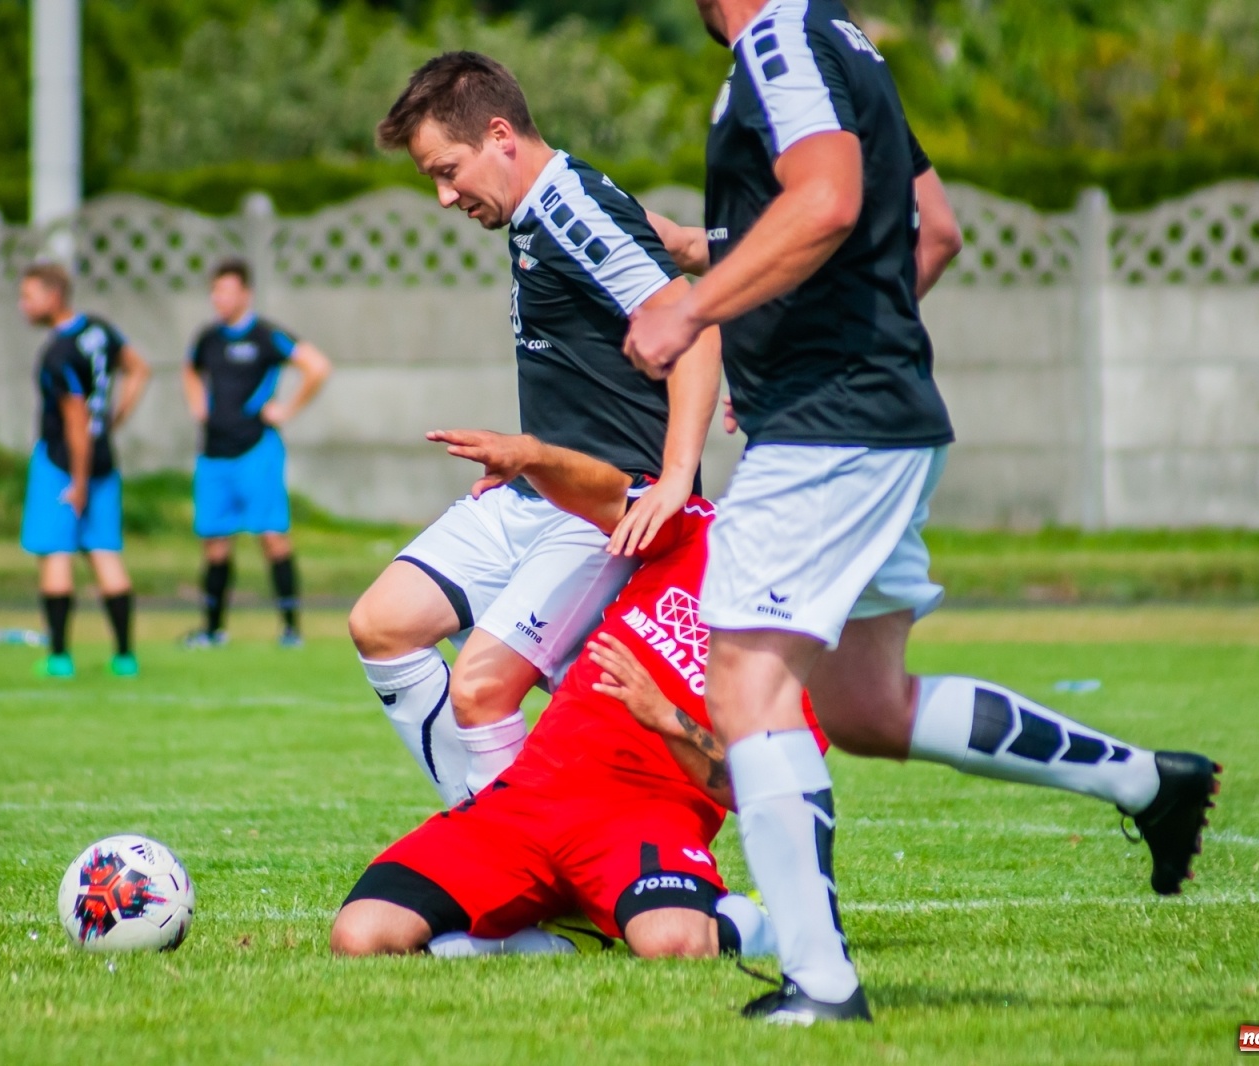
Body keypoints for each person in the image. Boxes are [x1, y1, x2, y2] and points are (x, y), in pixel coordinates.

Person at [623, 0, 1221, 1023]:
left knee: (749, 686)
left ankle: (821, 986)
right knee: (867, 707)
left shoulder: (778, 40)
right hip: (882, 419)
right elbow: (929, 231)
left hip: (827, 431)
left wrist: (696, 307)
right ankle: (1147, 785)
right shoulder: (840, 40)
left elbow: (825, 202)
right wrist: (758, 297)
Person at [349, 52, 722, 807]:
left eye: (448, 171)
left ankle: (527, 856)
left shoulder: (569, 209)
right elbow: (676, 246)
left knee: (482, 688)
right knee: (382, 623)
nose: (445, 197)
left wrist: (676, 480)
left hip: (605, 504)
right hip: (536, 491)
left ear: (499, 136)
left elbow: (694, 329)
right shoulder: (549, 206)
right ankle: (488, 832)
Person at [333, 430, 815, 962]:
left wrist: (668, 718)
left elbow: (764, 791)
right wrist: (533, 456)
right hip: (531, 794)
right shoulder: (696, 529)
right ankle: (558, 942)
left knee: (674, 942)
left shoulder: (817, 645)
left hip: (646, 818)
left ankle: (753, 925)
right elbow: (606, 495)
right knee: (361, 935)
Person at [182, 258, 332, 649]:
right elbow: (190, 369)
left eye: (227, 291)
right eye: (215, 291)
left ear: (245, 294)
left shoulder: (266, 336)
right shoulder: (207, 338)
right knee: (215, 542)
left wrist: (287, 410)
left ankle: (291, 629)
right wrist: (198, 404)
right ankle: (213, 631)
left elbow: (317, 366)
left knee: (272, 537)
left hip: (256, 451)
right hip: (213, 454)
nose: (219, 298)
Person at [17, 262, 151, 678]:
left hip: (64, 462)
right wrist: (115, 417)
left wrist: (77, 483)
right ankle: (125, 657)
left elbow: (75, 421)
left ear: (54, 296)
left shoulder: (58, 353)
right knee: (104, 552)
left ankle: (59, 657)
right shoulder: (98, 330)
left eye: (29, 296)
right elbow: (138, 369)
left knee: (56, 554)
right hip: (103, 457)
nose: (23, 305)